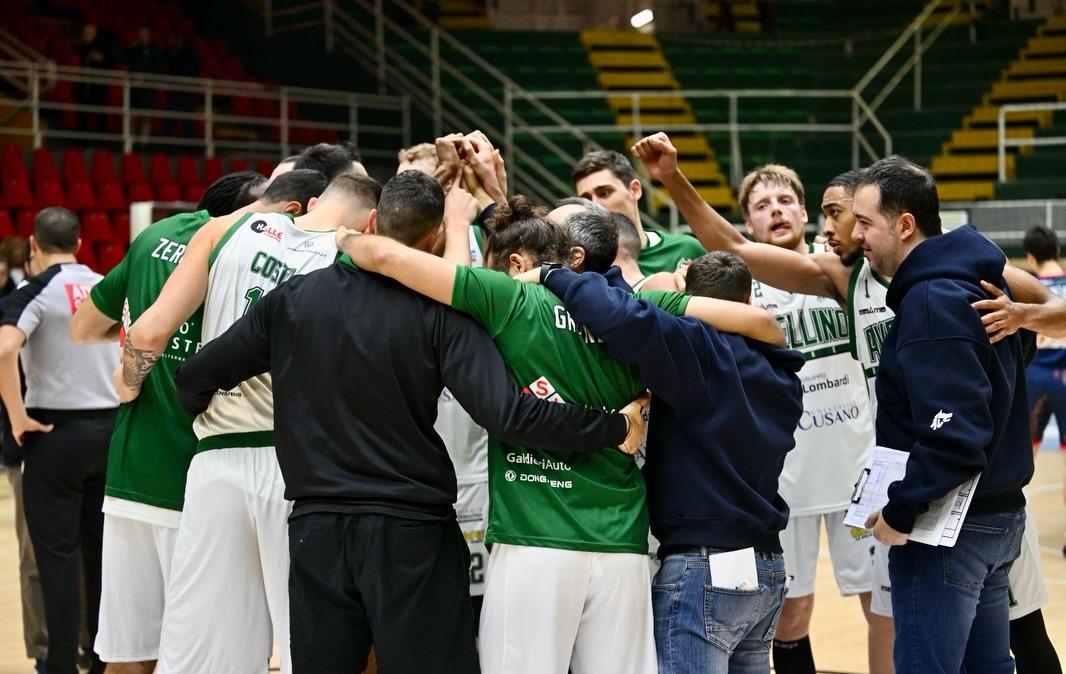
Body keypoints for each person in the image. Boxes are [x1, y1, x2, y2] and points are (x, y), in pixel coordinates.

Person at [170, 169, 648, 674]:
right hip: (411, 529)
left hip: (317, 527)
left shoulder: (293, 300)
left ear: (373, 221)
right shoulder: (441, 311)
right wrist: (612, 429)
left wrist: (200, 402)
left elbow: (193, 376)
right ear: (437, 236)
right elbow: (507, 414)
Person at [340, 186, 782, 674]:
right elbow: (754, 321)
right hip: (622, 544)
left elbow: (383, 254)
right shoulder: (638, 312)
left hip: (538, 534)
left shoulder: (512, 298)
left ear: (556, 256)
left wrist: (342, 236)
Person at [117, 172, 380, 674]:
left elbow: (149, 332)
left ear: (311, 202)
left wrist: (129, 382)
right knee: (306, 640)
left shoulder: (224, 233)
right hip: (301, 469)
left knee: (198, 645)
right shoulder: (353, 260)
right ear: (370, 222)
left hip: (218, 458)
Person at [66, 170, 319, 674]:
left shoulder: (153, 237)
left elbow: (83, 328)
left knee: (128, 651)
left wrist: (132, 370)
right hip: (202, 480)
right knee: (230, 652)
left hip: (131, 475)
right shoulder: (243, 251)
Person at [533, 251, 804, 673]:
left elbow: (618, 316)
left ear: (692, 303)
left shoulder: (698, 347)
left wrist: (553, 274)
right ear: (748, 302)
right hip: (767, 568)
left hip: (704, 566)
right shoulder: (782, 372)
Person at [856, 155, 1034, 674]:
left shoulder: (933, 300)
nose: (857, 235)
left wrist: (900, 509)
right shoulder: (975, 282)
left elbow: (955, 433)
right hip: (997, 515)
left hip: (951, 530)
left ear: (904, 224)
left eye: (865, 222)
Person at [0, 208, 119, 674]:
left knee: (56, 557)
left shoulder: (34, 290)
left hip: (55, 435)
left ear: (33, 245)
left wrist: (17, 416)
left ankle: (61, 666)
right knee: (101, 553)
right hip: (109, 431)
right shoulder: (107, 281)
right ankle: (103, 659)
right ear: (81, 242)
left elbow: (6, 347)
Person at [572, 149, 704, 274]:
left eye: (604, 193)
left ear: (634, 190)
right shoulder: (582, 266)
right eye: (586, 199)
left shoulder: (686, 249)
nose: (595, 205)